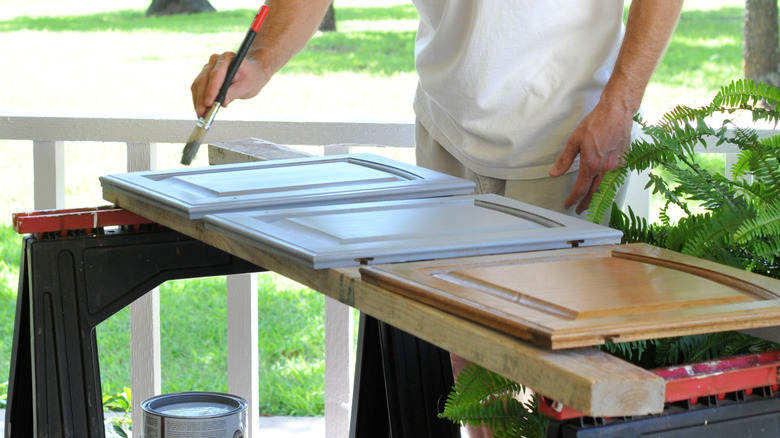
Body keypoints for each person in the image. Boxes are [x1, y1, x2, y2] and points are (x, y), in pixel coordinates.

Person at [191, 1, 682, 436]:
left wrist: (620, 103)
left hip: (573, 141)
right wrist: (259, 59)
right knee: (477, 386)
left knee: (569, 394)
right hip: (448, 131)